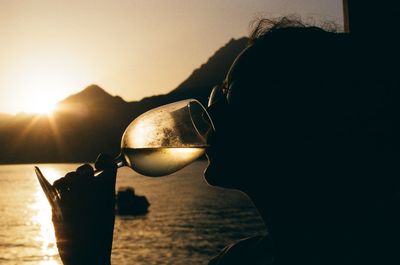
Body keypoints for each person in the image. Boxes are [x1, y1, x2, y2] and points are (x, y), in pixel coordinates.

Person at [51, 18, 400, 264]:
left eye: (231, 95)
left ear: (298, 119)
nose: (211, 111)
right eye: (217, 92)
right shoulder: (238, 258)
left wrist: (88, 258)